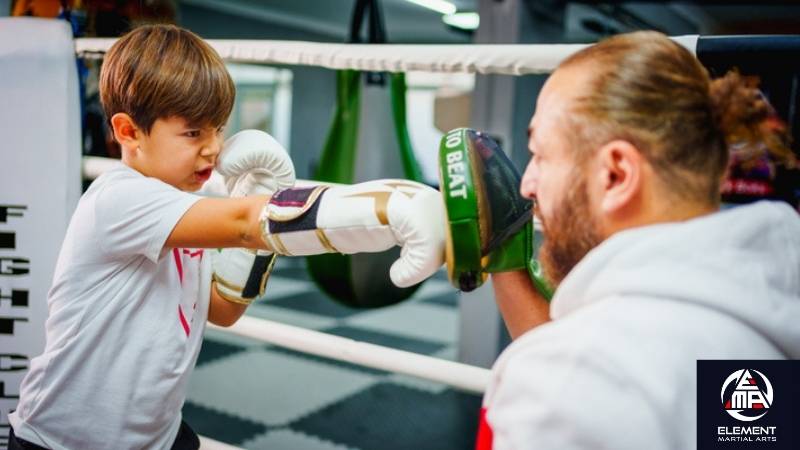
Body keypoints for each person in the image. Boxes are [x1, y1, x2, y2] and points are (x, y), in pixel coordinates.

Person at [7, 24, 444, 450]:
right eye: (193, 132)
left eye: (218, 128)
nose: (214, 147)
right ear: (128, 131)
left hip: (155, 436)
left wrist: (258, 211)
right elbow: (241, 223)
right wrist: (387, 209)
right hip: (65, 439)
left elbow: (223, 309)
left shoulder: (190, 205)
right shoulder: (119, 200)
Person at [480, 31, 800, 449]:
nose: (526, 184)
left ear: (615, 174)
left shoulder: (559, 386)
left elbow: (586, 368)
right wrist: (504, 264)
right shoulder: (760, 314)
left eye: (541, 154)